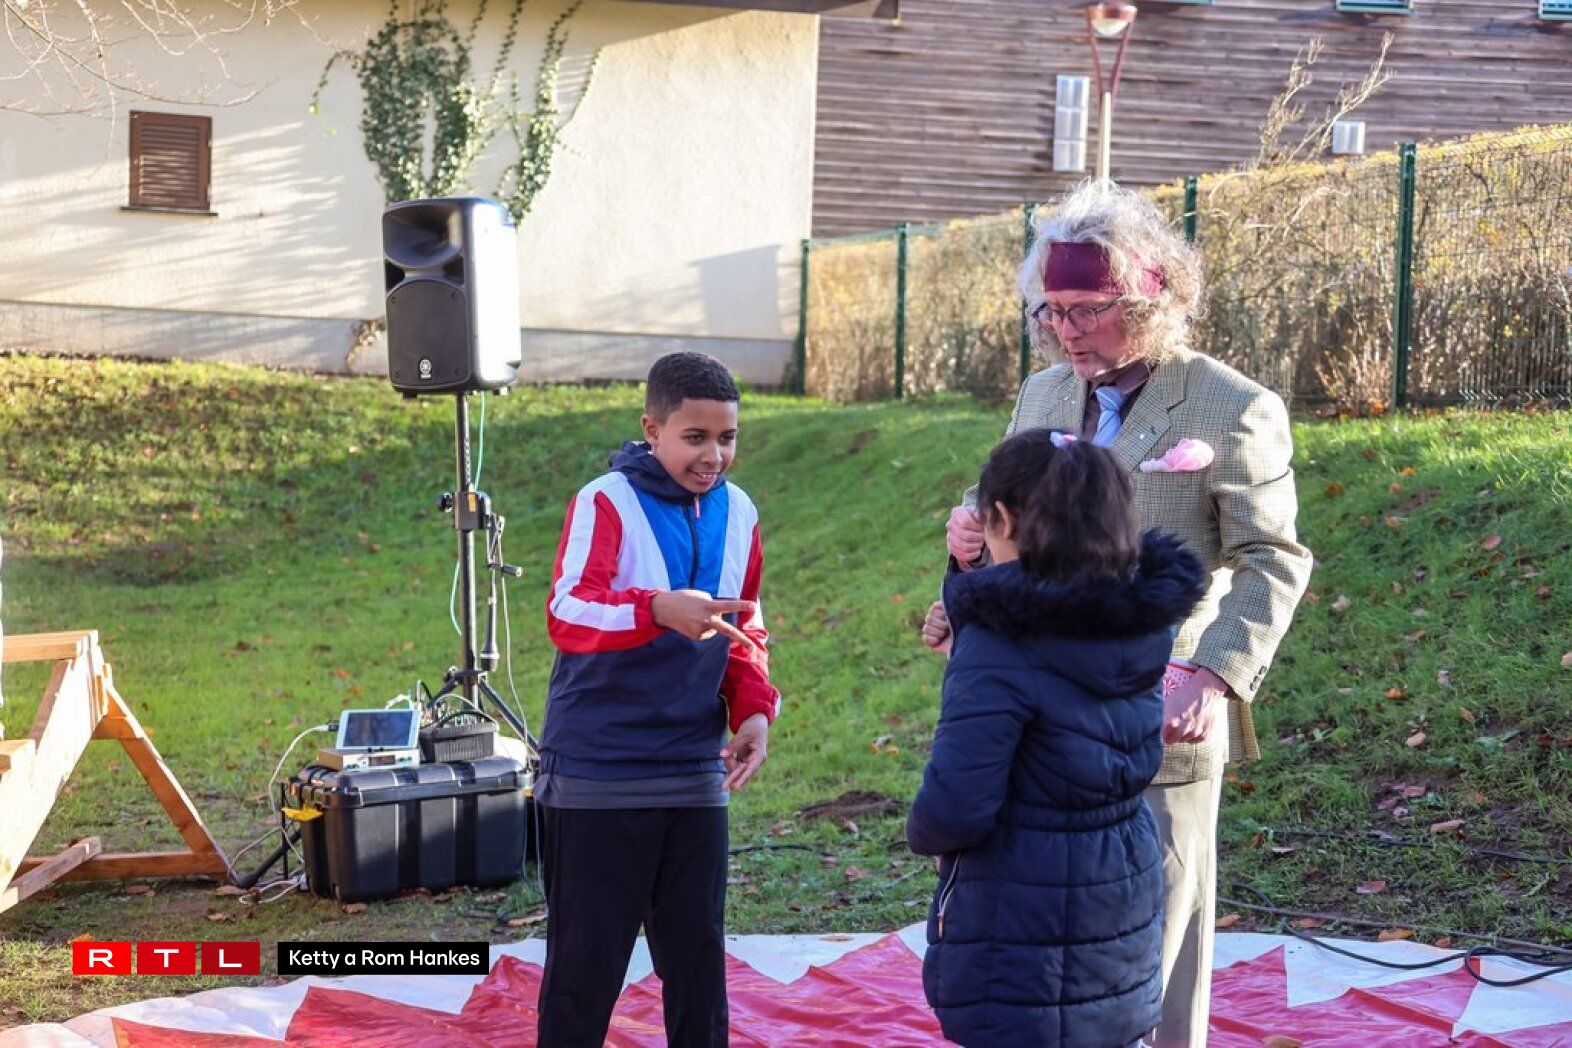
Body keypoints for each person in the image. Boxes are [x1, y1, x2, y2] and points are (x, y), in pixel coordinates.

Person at [932, 181, 1313, 1047]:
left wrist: (1211, 675)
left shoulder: (1233, 405)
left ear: (1149, 298)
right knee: (1048, 943)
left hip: (1160, 711)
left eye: (1087, 310)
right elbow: (1010, 520)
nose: (1065, 331)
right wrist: (967, 543)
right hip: (1036, 720)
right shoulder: (1040, 396)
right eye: (1050, 311)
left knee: (1159, 942)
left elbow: (1273, 558)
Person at [909, 429, 1208, 1047]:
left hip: (1022, 920)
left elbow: (955, 806)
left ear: (1003, 518)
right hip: (1120, 888)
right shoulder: (1137, 623)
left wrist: (924, 831)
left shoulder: (1000, 643)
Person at [535, 351, 781, 1048]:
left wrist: (753, 711)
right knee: (585, 968)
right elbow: (567, 610)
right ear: (652, 429)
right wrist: (655, 609)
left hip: (694, 772)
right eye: (695, 438)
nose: (714, 456)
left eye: (727, 438)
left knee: (699, 963)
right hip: (597, 772)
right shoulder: (605, 499)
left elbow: (746, 627)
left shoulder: (741, 511)